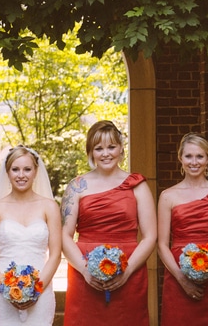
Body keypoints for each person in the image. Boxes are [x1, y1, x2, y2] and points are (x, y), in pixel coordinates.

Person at [60, 120, 157, 326]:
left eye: (111, 147)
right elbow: (64, 235)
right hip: (84, 271)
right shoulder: (76, 186)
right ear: (90, 152)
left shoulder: (137, 185)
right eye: (99, 148)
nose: (106, 154)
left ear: (121, 148)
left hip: (130, 268)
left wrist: (128, 270)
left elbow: (150, 236)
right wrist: (85, 270)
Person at [157, 133, 208, 325]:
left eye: (200, 156)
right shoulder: (168, 196)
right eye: (188, 156)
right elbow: (161, 244)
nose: (194, 162)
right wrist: (182, 279)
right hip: (178, 274)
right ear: (180, 158)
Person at [0, 145, 61, 325]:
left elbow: (55, 255)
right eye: (15, 169)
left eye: (27, 169)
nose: (21, 175)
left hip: (41, 290)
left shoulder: (50, 207)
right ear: (7, 172)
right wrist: (7, 289)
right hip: (2, 292)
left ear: (35, 171)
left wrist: (36, 289)